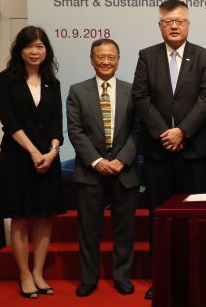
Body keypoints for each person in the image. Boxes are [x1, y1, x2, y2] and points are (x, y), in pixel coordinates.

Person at [131, 0, 206, 299]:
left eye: (180, 20)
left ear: (188, 24)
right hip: (157, 153)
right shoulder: (147, 56)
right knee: (159, 218)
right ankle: (162, 279)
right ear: (160, 25)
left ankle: (196, 278)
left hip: (192, 152)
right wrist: (163, 134)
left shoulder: (204, 56)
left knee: (194, 219)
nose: (174, 25)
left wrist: (182, 131)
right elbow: (140, 98)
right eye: (168, 21)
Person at [0, 26, 65, 298]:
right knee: (21, 218)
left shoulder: (52, 82)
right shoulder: (6, 79)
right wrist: (34, 152)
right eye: (29, 46)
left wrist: (52, 150)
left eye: (40, 46)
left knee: (44, 217)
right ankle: (24, 274)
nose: (35, 51)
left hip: (48, 157)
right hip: (17, 156)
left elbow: (56, 122)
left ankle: (38, 272)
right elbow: (8, 120)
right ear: (20, 50)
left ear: (46, 50)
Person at [66, 39, 139, 297]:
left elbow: (138, 130)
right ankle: (88, 279)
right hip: (90, 173)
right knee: (88, 230)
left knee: (125, 230)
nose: (106, 61)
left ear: (118, 59)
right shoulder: (77, 91)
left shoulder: (133, 91)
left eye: (111, 57)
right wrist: (97, 161)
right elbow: (75, 132)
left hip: (125, 171)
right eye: (100, 57)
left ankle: (122, 276)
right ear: (91, 59)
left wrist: (122, 160)